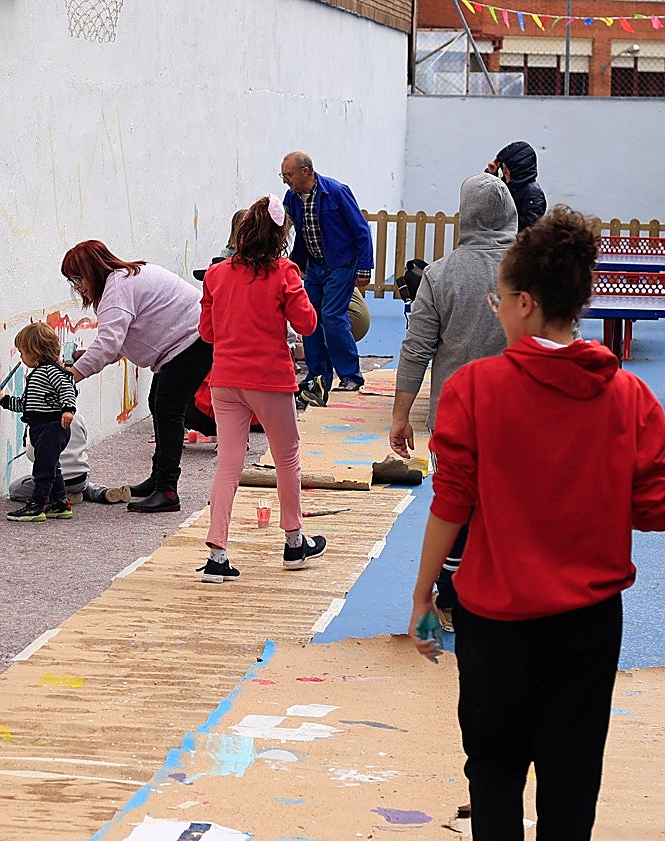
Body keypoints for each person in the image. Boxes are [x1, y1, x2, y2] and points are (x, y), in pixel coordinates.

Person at [408, 206, 665, 839]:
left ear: (524, 304)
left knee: (493, 769)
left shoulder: (474, 389)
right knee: (572, 777)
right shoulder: (630, 397)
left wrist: (422, 595)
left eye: (498, 301)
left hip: (496, 620)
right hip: (589, 621)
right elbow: (652, 507)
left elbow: (451, 503)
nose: (496, 311)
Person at [389, 173, 518, 632]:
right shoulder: (532, 272)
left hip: (455, 418)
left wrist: (400, 416)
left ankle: (452, 597)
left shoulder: (440, 274)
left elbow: (417, 348)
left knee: (458, 509)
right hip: (520, 420)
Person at [198, 195, 327, 583]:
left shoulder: (215, 275)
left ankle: (217, 555)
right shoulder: (284, 272)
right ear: (279, 237)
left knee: (228, 463)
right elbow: (307, 324)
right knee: (287, 457)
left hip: (225, 379)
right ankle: (294, 541)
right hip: (269, 379)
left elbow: (207, 333)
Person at [62, 240, 213, 514]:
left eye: (78, 278)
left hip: (192, 340)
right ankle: (158, 480)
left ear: (92, 270)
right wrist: (87, 358)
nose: (77, 286)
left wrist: (70, 376)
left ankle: (167, 490)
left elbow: (109, 343)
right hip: (190, 339)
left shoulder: (116, 288)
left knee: (168, 409)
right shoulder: (121, 281)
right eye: (71, 281)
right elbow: (119, 340)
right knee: (158, 403)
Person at [281, 151, 375, 405]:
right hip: (314, 266)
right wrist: (293, 263)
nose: (285, 180)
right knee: (309, 319)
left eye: (288, 175)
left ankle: (351, 376)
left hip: (340, 264)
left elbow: (361, 230)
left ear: (305, 171)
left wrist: (365, 266)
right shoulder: (292, 197)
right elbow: (289, 229)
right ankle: (318, 376)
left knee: (333, 316)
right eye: (283, 175)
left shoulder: (336, 191)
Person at [0, 322, 78, 522]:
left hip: (52, 427)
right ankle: (60, 503)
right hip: (41, 428)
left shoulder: (52, 371)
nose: (21, 358)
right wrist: (3, 400)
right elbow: (26, 404)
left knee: (43, 469)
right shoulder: (38, 375)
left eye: (22, 353)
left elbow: (67, 387)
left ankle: (37, 506)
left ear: (34, 353)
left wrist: (68, 409)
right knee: (52, 466)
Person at [8, 412, 132, 504]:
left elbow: (33, 457)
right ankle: (101, 492)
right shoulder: (77, 418)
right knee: (83, 485)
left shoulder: (41, 422)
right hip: (80, 478)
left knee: (16, 488)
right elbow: (83, 441)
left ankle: (63, 497)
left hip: (55, 482)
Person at [486, 141, 546, 231]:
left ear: (518, 170)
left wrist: (500, 221)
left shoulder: (534, 195)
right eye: (503, 168)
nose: (504, 172)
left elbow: (528, 225)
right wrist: (491, 174)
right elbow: (486, 200)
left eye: (507, 169)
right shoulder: (506, 186)